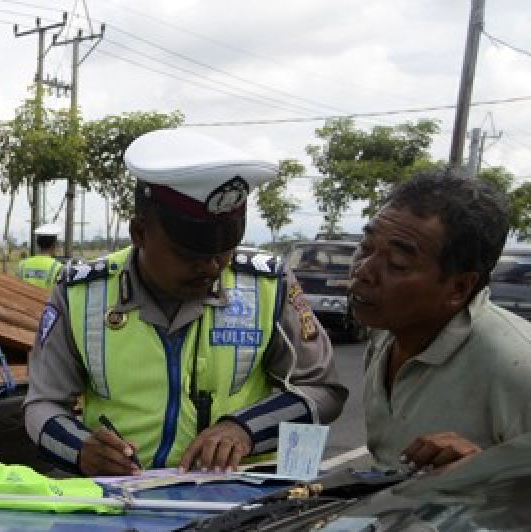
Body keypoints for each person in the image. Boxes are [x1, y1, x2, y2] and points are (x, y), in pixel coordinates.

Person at [25, 129, 346, 474]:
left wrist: (245, 430)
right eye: (189, 254)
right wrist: (80, 450)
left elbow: (323, 389)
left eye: (223, 251)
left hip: (242, 506)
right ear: (139, 233)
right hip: (121, 505)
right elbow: (42, 403)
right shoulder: (82, 293)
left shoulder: (268, 284)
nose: (210, 267)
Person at [351, 167, 531, 470]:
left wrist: (483, 473)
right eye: (365, 248)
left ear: (459, 288)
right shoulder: (386, 333)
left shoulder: (517, 366)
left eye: (396, 263)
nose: (363, 271)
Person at [16, 224, 65, 289]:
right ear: (54, 245)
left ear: (38, 244)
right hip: (48, 299)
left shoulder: (22, 265)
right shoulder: (58, 267)